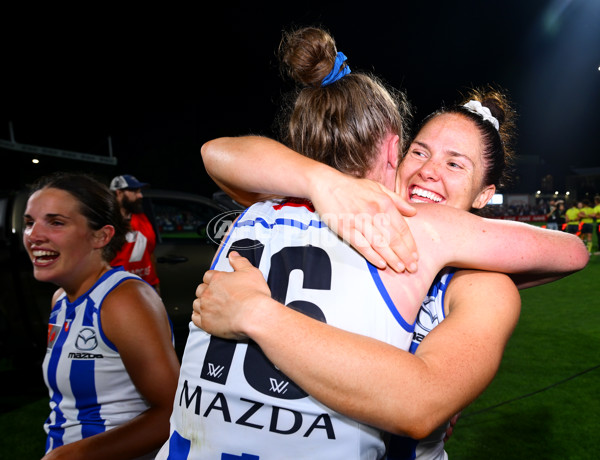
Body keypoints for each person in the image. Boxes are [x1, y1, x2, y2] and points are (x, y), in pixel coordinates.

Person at [161, 27, 588, 459]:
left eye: (455, 163)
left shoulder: (479, 281)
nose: (428, 172)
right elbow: (219, 155)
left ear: (484, 194)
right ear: (395, 151)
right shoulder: (342, 211)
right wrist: (322, 181)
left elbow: (422, 402)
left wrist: (254, 313)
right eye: (419, 153)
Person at [23, 172, 180, 460]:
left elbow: (173, 412)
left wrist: (68, 456)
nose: (34, 235)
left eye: (56, 222)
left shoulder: (123, 300)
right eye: (30, 223)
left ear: (101, 235)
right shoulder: (60, 299)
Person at [110, 174, 161, 294]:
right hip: (117, 288)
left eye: (140, 191)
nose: (140, 195)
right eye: (134, 191)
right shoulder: (106, 222)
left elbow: (150, 254)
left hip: (145, 286)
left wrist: (155, 283)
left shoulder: (142, 218)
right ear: (119, 193)